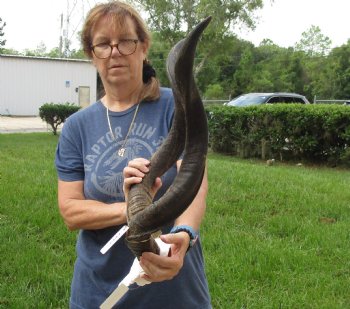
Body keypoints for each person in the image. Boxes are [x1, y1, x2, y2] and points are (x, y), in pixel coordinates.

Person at [55, 1, 211, 308]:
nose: (114, 52)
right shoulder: (76, 127)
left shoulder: (174, 106)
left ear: (143, 47)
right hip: (100, 292)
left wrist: (184, 233)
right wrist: (132, 208)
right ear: (92, 55)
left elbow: (194, 176)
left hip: (174, 290)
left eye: (125, 41)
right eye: (103, 44)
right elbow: (71, 211)